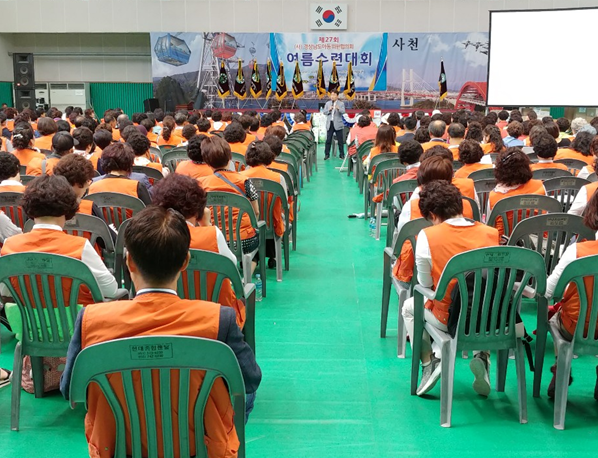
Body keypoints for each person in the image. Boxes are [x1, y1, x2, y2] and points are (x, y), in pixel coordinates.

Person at [59, 206, 261, 457]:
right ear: (185, 261)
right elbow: (250, 380)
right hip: (197, 449)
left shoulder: (91, 320)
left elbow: (70, 390)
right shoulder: (219, 319)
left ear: (129, 261)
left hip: (122, 449)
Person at [401, 180, 499, 396]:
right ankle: (482, 354)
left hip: (451, 318)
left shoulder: (428, 236)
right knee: (480, 295)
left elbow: (425, 285)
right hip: (492, 317)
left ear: (433, 214)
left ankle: (429, 362)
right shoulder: (491, 233)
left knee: (409, 307)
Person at [1, 175, 118, 303]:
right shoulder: (80, 247)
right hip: (76, 320)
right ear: (68, 208)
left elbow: (5, 291)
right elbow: (111, 290)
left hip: (26, 322)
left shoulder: (10, 245)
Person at [152, 174, 245, 327]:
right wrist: (207, 224)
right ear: (198, 209)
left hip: (166, 318)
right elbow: (231, 266)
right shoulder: (212, 234)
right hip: (216, 316)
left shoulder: (154, 236)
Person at [545, 190, 598, 398]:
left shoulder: (577, 251)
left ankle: (561, 367)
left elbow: (549, 291)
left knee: (559, 315)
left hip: (576, 326)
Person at [198, 136, 260, 257]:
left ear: (206, 161)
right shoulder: (245, 181)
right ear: (230, 157)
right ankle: (245, 273)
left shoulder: (200, 184)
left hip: (214, 240)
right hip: (244, 241)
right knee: (254, 250)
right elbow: (256, 212)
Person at [241, 141, 288, 268]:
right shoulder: (278, 178)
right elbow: (284, 203)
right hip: (272, 223)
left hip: (248, 226)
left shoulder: (240, 178)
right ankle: (272, 255)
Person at [488, 148, 546, 238]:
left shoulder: (494, 196)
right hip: (539, 245)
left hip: (506, 247)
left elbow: (490, 225)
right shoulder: (540, 186)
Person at [53, 154, 107, 221]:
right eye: (87, 180)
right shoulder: (89, 207)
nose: (88, 184)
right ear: (77, 182)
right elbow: (106, 230)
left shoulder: (45, 207)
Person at [323, 89, 346, 160]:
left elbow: (343, 112)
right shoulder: (328, 103)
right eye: (331, 95)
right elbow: (324, 112)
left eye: (334, 95)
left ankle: (341, 154)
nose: (332, 96)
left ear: (337, 96)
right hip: (330, 123)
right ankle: (327, 155)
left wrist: (338, 108)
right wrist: (329, 110)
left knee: (340, 140)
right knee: (328, 140)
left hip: (338, 124)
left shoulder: (341, 104)